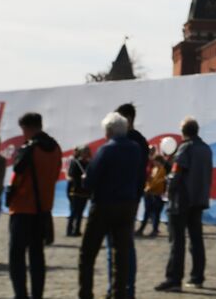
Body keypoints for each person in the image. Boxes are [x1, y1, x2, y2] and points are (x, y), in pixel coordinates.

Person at [80, 111, 146, 299]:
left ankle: (85, 293)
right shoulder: (134, 148)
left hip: (104, 205)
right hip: (127, 205)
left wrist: (87, 179)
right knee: (121, 254)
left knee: (87, 254)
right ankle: (120, 293)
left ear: (107, 132)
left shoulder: (106, 150)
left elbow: (90, 180)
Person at [6, 112, 61, 299]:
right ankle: (37, 295)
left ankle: (21, 295)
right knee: (37, 256)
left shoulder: (29, 148)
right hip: (43, 209)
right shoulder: (55, 148)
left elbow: (17, 176)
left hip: (22, 208)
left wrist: (10, 196)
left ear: (28, 128)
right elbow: (54, 176)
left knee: (17, 256)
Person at [155, 118, 212, 293]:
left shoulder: (185, 148)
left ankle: (174, 279)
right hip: (198, 200)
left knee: (177, 242)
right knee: (196, 240)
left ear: (183, 131)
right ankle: (197, 277)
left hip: (181, 201)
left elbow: (176, 174)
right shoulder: (206, 149)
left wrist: (166, 186)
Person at [106, 103, 148, 297]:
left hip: (118, 200)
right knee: (124, 245)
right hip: (132, 199)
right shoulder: (141, 141)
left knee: (117, 247)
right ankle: (123, 288)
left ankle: (120, 289)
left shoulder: (125, 142)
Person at [139, 155, 167, 237]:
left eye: (155, 161)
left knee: (155, 213)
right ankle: (144, 229)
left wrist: (147, 188)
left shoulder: (162, 170)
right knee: (149, 213)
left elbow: (156, 181)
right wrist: (147, 187)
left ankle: (153, 230)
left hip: (157, 194)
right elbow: (150, 180)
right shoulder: (154, 169)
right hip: (151, 193)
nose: (154, 162)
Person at [66, 147, 91, 237]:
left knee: (80, 212)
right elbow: (71, 175)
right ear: (81, 153)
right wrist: (81, 177)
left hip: (84, 192)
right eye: (85, 152)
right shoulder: (76, 162)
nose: (86, 154)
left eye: (87, 152)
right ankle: (69, 230)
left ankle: (77, 230)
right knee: (73, 211)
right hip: (75, 190)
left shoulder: (89, 163)